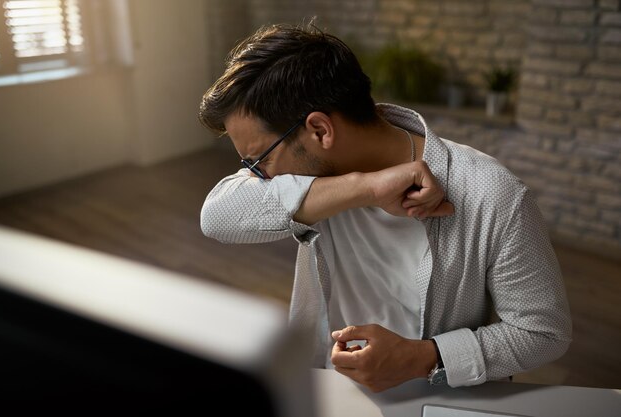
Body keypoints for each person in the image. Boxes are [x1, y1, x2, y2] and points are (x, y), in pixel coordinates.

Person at [197, 21, 572, 392]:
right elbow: (216, 216)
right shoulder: (317, 187)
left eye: (258, 160)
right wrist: (368, 186)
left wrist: (421, 357)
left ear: (320, 131)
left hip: (437, 393)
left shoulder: (493, 194)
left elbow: (542, 331)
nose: (258, 176)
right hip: (330, 385)